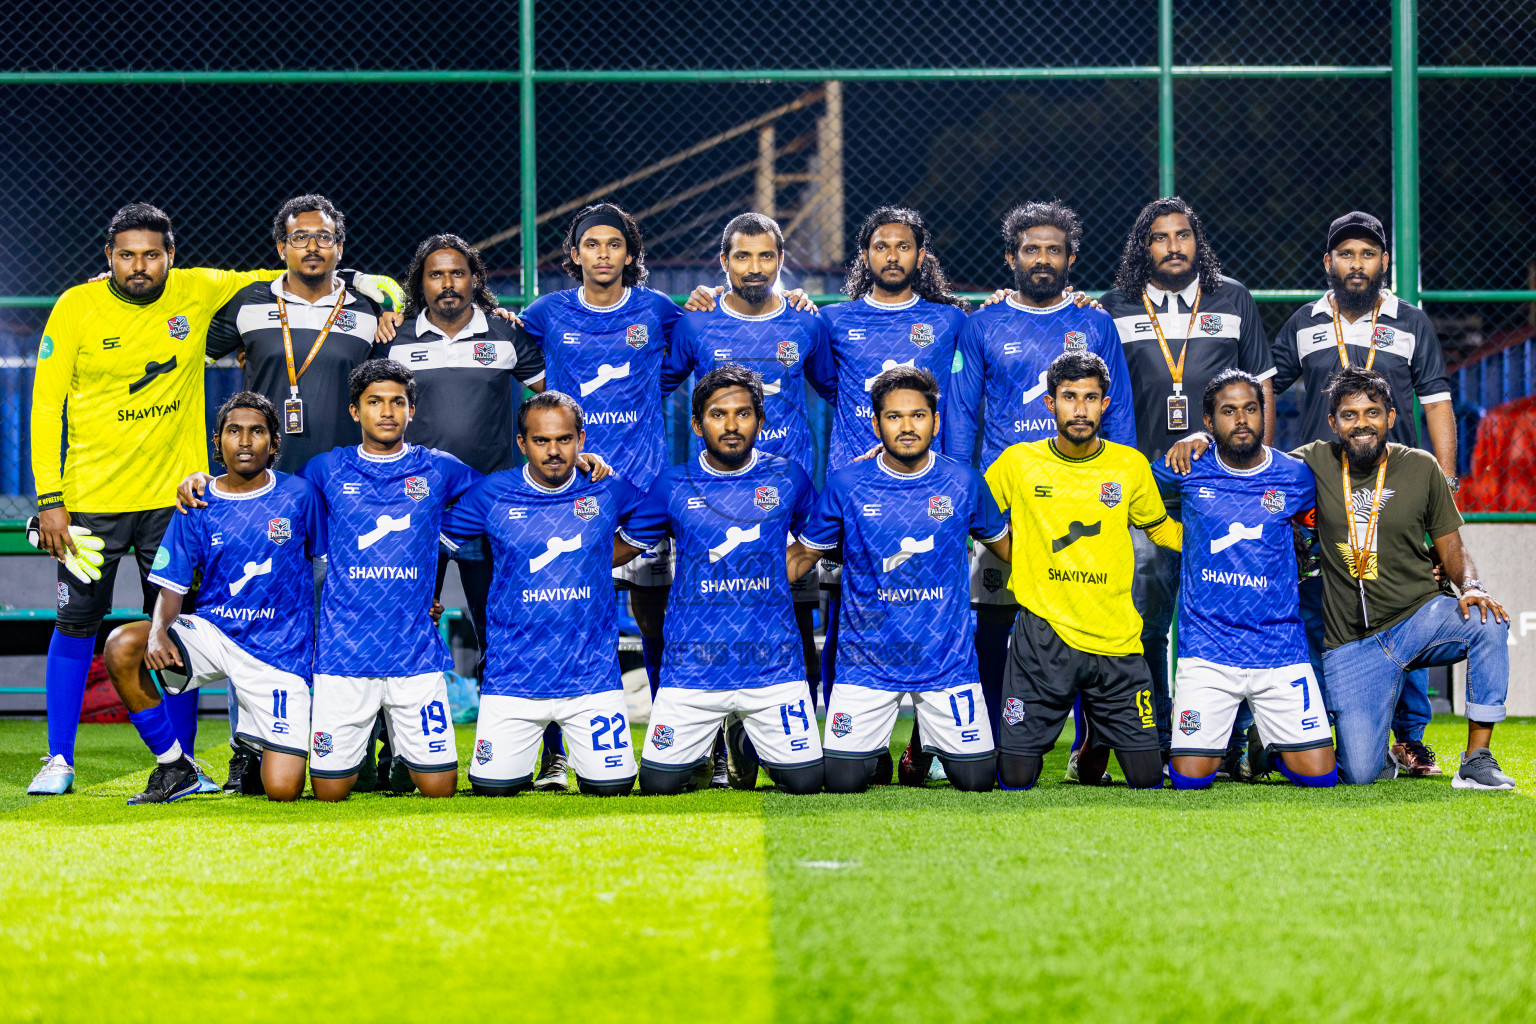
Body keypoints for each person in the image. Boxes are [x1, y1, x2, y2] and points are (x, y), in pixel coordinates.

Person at [26, 202, 284, 796]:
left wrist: (373, 287)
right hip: (88, 505)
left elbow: (283, 277)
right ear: (107, 258)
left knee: (173, 629)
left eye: (151, 254)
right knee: (75, 624)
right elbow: (45, 407)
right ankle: (59, 760)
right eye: (126, 255)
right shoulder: (76, 307)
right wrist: (50, 499)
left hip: (175, 506)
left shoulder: (196, 290)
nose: (139, 266)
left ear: (171, 255)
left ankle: (184, 763)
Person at [1168, 366, 1515, 789]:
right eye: (1349, 415)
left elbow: (1453, 547)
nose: (1361, 423)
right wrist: (1201, 439)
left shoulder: (1421, 467)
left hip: (1416, 617)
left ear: (1390, 416)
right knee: (1358, 774)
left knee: (1487, 621)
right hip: (1350, 644)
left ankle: (1477, 758)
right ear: (1333, 424)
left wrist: (1472, 586)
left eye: (1372, 412)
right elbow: (1249, 456)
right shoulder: (1308, 464)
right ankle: (1281, 746)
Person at [201, 193, 403, 792]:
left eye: (323, 237)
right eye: (300, 236)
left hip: (351, 491)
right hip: (264, 490)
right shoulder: (247, 306)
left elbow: (423, 317)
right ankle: (248, 748)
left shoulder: (370, 310)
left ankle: (362, 747)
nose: (312, 246)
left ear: (340, 247)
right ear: (280, 246)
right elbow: (181, 350)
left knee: (355, 615)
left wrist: (390, 299)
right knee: (252, 620)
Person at [947, 201, 1134, 783]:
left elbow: (1119, 411)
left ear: (1071, 258)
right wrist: (957, 496)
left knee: (1092, 617)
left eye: (1055, 250)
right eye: (1032, 249)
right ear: (1011, 258)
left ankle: (1090, 748)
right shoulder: (982, 325)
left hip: (1084, 502)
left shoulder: (1096, 323)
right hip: (1008, 502)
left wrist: (1121, 493)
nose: (1043, 259)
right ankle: (991, 740)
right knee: (997, 620)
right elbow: (960, 416)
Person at [1270, 211, 1457, 776]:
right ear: (1328, 263)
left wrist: (1444, 486)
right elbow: (1261, 391)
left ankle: (1411, 736)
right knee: (1315, 611)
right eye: (1346, 255)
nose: (1357, 265)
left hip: (1395, 492)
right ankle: (1317, 724)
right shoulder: (1302, 323)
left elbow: (1437, 403)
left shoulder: (1411, 321)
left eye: (1368, 255)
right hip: (1323, 496)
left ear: (1383, 263)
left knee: (1408, 602)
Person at [1098, 196, 1276, 761]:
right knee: (1144, 617)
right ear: (1143, 246)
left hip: (1221, 487)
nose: (1173, 246)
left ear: (1198, 241)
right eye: (1160, 237)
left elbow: (1260, 389)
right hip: (1143, 486)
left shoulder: (1234, 298)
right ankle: (1152, 726)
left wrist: (1253, 466)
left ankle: (1232, 736)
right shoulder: (1114, 306)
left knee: (1227, 611)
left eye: (1183, 235)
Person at [517, 203, 685, 788]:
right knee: (567, 623)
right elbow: (509, 349)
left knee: (661, 624)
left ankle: (676, 746)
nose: (604, 254)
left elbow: (686, 356)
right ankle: (557, 754)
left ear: (631, 254)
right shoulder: (545, 313)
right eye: (593, 244)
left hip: (643, 492)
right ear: (576, 254)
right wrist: (545, 392)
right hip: (571, 495)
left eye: (615, 244)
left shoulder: (658, 310)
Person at [378, 233, 548, 782]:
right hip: (414, 513)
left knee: (503, 628)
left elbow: (547, 409)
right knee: (402, 629)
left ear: (474, 277)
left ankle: (528, 753)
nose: (447, 284)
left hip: (491, 511)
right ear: (419, 282)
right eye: (435, 275)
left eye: (457, 273)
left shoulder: (507, 335)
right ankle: (401, 756)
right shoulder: (394, 340)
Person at [789, 366, 1007, 792]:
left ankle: (920, 748)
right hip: (867, 664)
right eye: (893, 417)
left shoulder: (963, 481)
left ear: (936, 421)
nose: (907, 427)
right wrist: (743, 574)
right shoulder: (847, 484)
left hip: (947, 663)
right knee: (842, 782)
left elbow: (1010, 550)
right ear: (876, 424)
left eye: (918, 416)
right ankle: (879, 751)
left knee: (977, 781)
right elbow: (802, 556)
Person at [103, 393, 324, 803]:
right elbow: (172, 584)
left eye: (257, 431)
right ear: (217, 441)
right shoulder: (197, 501)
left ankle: (252, 745)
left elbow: (325, 567)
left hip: (279, 652)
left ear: (274, 443)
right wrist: (158, 632)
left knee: (283, 790)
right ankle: (175, 766)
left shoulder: (300, 495)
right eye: (233, 431)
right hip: (214, 635)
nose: (244, 441)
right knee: (122, 645)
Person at [615, 365, 824, 795]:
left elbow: (813, 544)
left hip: (772, 663)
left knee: (806, 783)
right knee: (658, 785)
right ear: (696, 424)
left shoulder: (789, 477)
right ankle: (714, 740)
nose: (731, 425)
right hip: (693, 667)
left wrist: (769, 576)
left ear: (760, 421)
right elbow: (623, 548)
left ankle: (743, 738)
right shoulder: (672, 484)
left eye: (743, 414)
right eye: (718, 414)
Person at [663, 212, 838, 710]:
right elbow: (653, 383)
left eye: (766, 256)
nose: (754, 267)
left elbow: (838, 390)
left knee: (796, 615)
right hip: (715, 498)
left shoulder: (807, 321)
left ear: (782, 261)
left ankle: (796, 730)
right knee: (712, 611)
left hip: (788, 497)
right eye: (742, 256)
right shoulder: (695, 321)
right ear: (724, 262)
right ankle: (719, 741)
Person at [985, 352, 1183, 791]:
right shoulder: (1018, 462)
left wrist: (1221, 541)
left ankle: (1096, 738)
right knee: (1015, 779)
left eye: (1090, 398)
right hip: (1043, 636)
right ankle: (1079, 738)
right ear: (1050, 403)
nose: (1080, 409)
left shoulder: (1129, 465)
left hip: (1115, 638)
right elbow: (973, 513)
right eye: (1069, 397)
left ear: (1105, 405)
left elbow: (1162, 531)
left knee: (1148, 779)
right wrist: (1016, 555)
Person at [440, 391, 641, 796]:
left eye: (564, 440)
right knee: (492, 789)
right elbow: (437, 541)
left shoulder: (607, 488)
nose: (553, 451)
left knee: (613, 788)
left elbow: (652, 518)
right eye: (541, 441)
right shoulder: (492, 493)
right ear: (522, 443)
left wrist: (594, 559)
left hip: (591, 678)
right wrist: (428, 594)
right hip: (513, 678)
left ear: (581, 440)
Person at [299, 360, 482, 801]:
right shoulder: (325, 469)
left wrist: (445, 539)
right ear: (354, 411)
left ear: (411, 411)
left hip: (413, 652)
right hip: (344, 653)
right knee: (328, 793)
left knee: (439, 789)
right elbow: (282, 506)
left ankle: (403, 753)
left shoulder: (439, 469)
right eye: (374, 402)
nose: (386, 412)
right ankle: (362, 752)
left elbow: (500, 496)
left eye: (397, 402)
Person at [1150, 370, 1336, 789]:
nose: (1241, 419)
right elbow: (1131, 489)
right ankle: (1239, 744)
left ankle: (1264, 744)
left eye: (1250, 409)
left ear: (1264, 413)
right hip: (1207, 649)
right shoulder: (1186, 465)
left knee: (1321, 777)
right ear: (1209, 420)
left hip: (1279, 647)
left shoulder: (1295, 476)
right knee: (1190, 781)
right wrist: (1169, 533)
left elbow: (1319, 530)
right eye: (1228, 411)